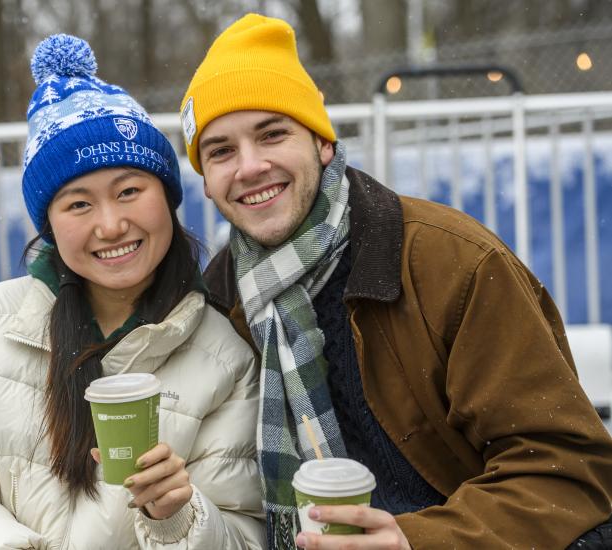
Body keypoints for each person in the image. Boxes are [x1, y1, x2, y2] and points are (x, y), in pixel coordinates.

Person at [179, 13, 612, 550]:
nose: (250, 166)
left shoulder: (452, 262)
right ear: (206, 177)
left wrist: (415, 541)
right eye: (221, 150)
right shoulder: (221, 302)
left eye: (272, 134)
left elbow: (568, 470)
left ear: (323, 144)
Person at [0, 34, 266, 550]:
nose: (111, 225)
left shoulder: (226, 357)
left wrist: (180, 517)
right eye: (78, 204)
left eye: (129, 191)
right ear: (49, 223)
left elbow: (245, 534)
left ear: (168, 198)